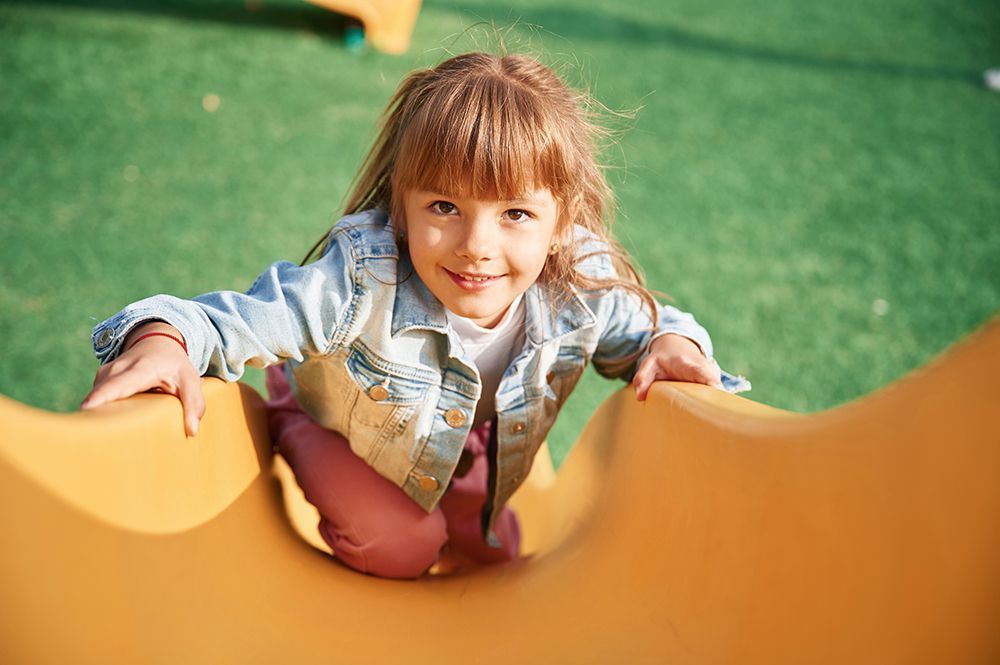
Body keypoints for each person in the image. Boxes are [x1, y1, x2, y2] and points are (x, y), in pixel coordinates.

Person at [80, 51, 749, 579]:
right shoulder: (360, 279)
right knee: (401, 544)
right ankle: (284, 422)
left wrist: (671, 342)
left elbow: (653, 328)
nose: (477, 247)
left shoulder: (577, 280)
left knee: (491, 557)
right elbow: (236, 319)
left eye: (515, 213)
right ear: (402, 205)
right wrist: (163, 335)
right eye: (444, 208)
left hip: (456, 440)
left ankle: (456, 502)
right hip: (343, 428)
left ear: (561, 220)